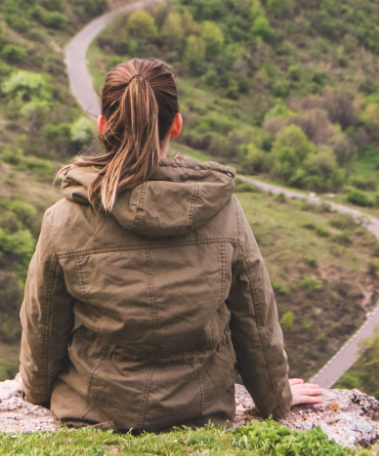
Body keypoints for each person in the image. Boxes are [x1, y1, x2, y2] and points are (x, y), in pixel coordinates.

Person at [19, 58, 322, 432]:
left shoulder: (63, 218)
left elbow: (43, 324)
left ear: (102, 126)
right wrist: (275, 399)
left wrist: (36, 392)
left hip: (93, 411)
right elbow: (255, 317)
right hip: (200, 412)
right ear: (176, 124)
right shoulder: (222, 210)